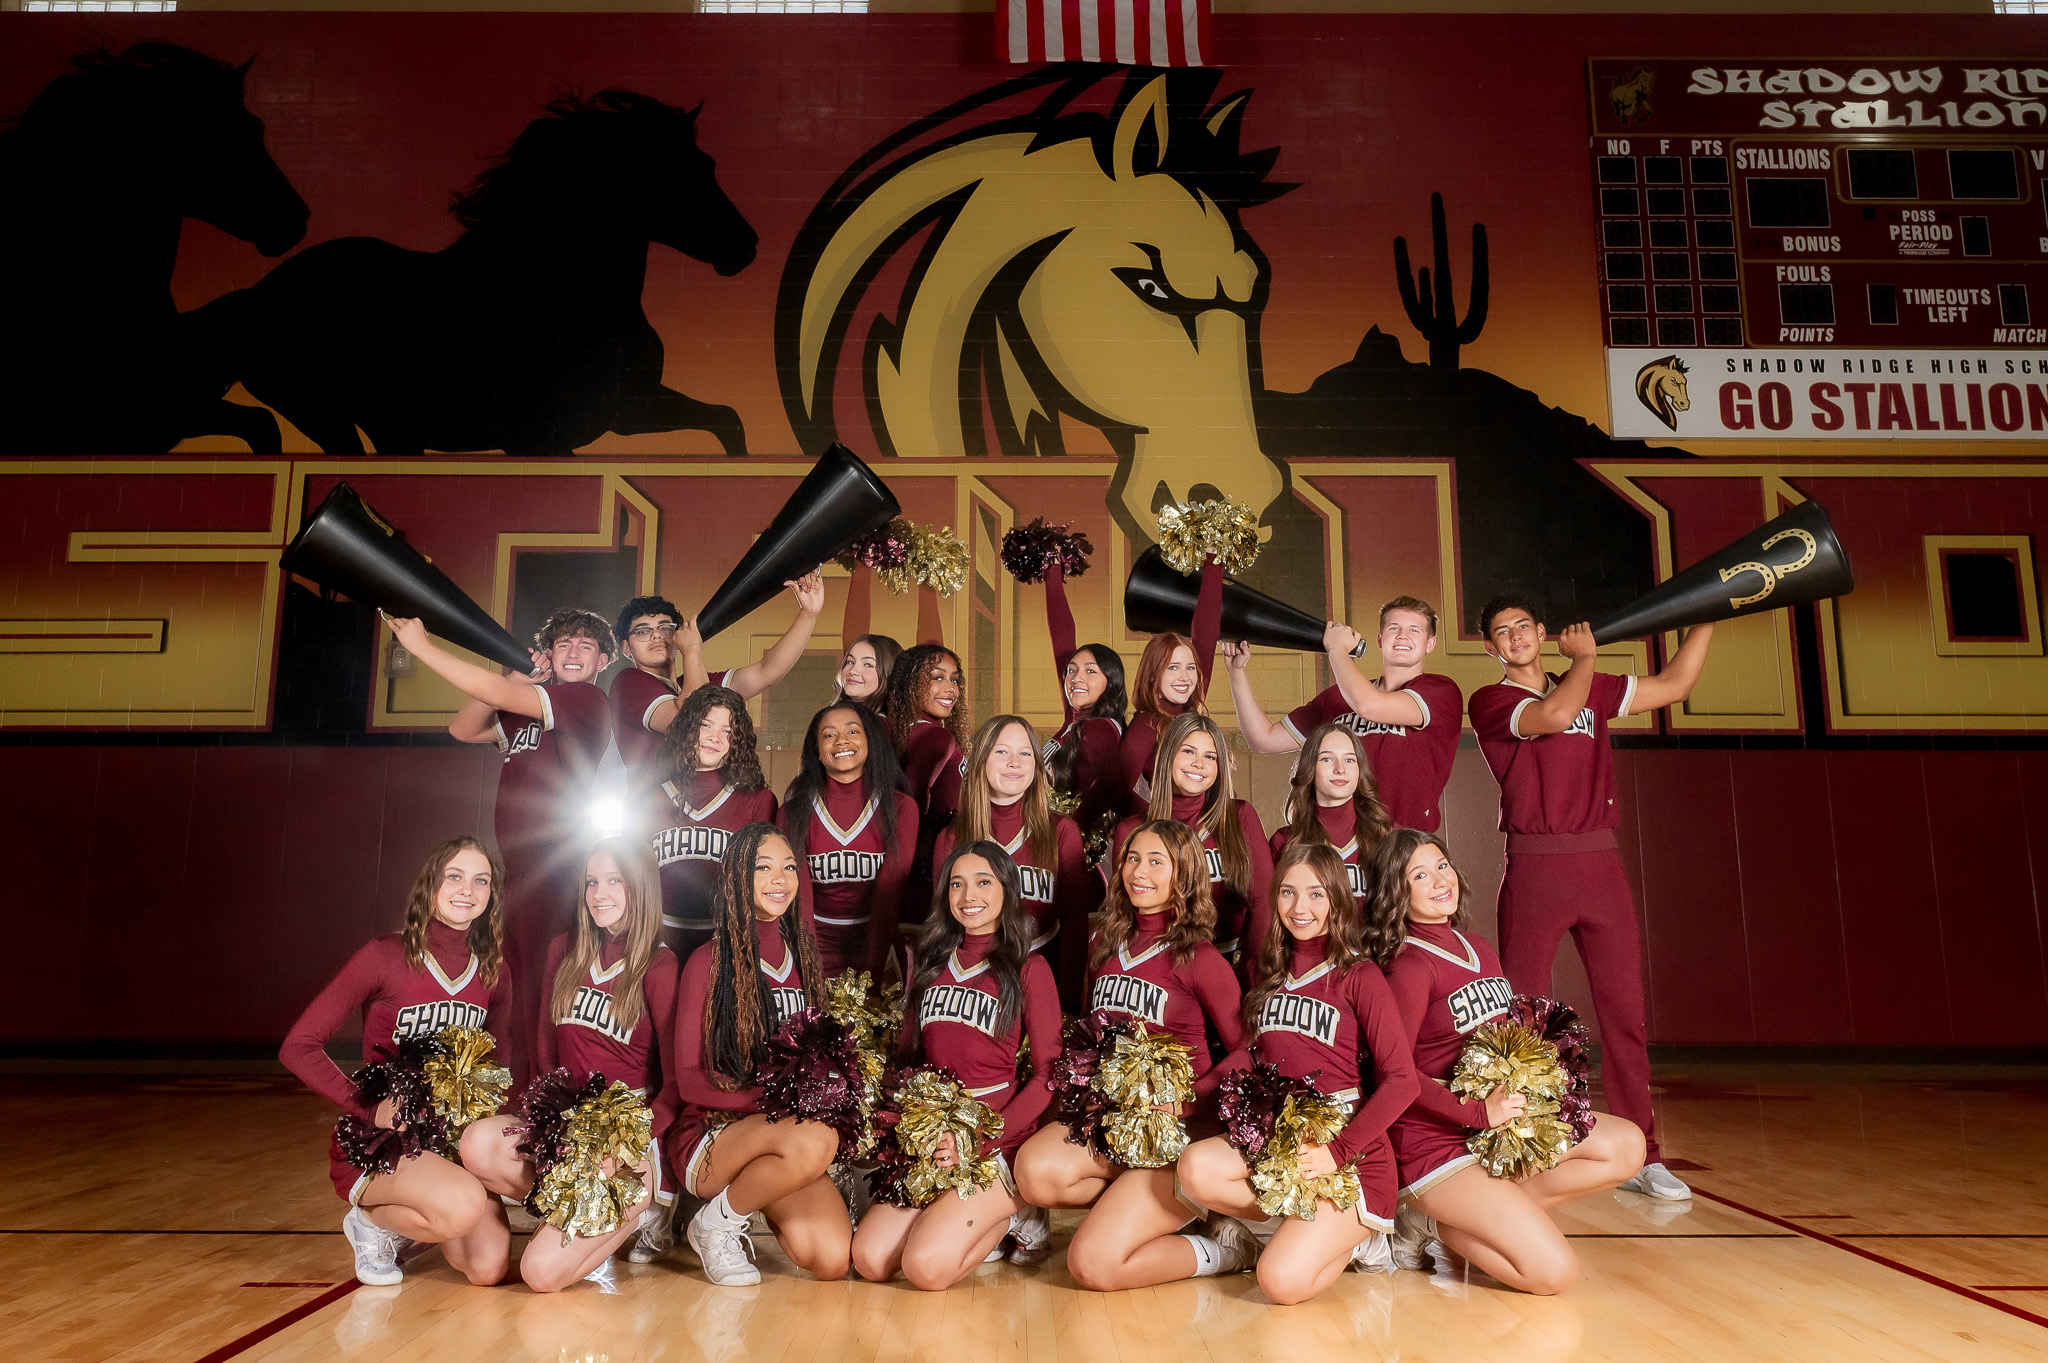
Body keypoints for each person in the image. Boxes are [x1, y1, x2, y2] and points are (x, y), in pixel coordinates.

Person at [1467, 594, 1714, 1203]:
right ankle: (1523, 1141)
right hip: (1535, 865)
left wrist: (1710, 614)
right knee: (1521, 1016)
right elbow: (1553, 714)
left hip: (1599, 862)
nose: (1516, 636)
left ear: (1542, 630)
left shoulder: (1591, 682)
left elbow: (1676, 684)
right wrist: (1584, 661)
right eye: (1503, 631)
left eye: (1524, 624)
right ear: (1491, 647)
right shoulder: (1494, 700)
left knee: (1624, 1015)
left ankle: (1643, 1153)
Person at [1372, 828, 1647, 1293]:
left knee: (1625, 1146)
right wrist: (1477, 1112)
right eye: (1419, 875)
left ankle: (1467, 1221)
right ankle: (1432, 1221)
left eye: (1442, 865)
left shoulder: (1477, 946)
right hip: (1435, 1147)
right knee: (1552, 1273)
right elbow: (1395, 1075)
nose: (1440, 880)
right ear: (1396, 892)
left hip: (1494, 1133)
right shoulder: (1410, 967)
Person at [1174, 842, 1421, 1303]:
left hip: (1345, 1150)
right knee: (1195, 1169)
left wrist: (1338, 1150)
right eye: (1287, 893)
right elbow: (1252, 1054)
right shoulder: (1265, 970)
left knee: (1280, 1283)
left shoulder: (1359, 976)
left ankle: (1361, 1237)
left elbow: (1402, 1080)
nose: (1300, 907)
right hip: (1279, 1139)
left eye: (1316, 894)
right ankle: (1300, 1229)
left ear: (1337, 900)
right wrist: (1186, 1097)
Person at [1015, 820, 1248, 1290]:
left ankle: (1226, 1250)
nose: (1139, 872)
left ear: (1184, 875)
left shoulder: (1202, 960)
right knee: (1035, 1173)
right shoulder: (1105, 945)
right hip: (1116, 1125)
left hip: (1174, 1136)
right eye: (1133, 859)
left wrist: (1184, 1102)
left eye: (1156, 862)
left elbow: (1248, 1051)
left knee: (1093, 1266)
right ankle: (1148, 1211)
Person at [385, 608, 613, 1083]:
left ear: (603, 661)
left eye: (585, 647)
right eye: (563, 644)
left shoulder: (586, 701)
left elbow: (493, 694)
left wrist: (424, 649)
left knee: (542, 987)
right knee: (516, 983)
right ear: (548, 654)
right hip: (519, 868)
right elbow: (464, 728)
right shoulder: (527, 704)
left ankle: (546, 1092)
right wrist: (513, 675)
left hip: (559, 864)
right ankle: (523, 1088)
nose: (573, 653)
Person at [280, 836, 514, 1288]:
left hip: (447, 1142)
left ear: (491, 895)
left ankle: (419, 1216)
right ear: (430, 884)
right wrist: (368, 1106)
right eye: (454, 876)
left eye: (480, 880)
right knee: (462, 1206)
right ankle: (372, 1223)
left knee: (487, 1269)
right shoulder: (385, 955)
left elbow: (497, 1065)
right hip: (384, 1142)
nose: (467, 889)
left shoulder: (493, 970)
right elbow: (298, 1045)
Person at [457, 838, 681, 1287]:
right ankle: (569, 1207)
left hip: (626, 1137)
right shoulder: (565, 950)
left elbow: (675, 1084)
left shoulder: (659, 965)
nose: (600, 894)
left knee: (539, 1274)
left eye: (615, 881)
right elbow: (545, 1053)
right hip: (566, 1125)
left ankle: (644, 1209)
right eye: (592, 882)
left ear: (640, 887)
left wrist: (630, 1141)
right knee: (477, 1144)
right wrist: (545, 1125)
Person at [850, 843, 1062, 1289]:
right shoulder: (928, 964)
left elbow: (1048, 1076)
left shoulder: (1029, 968)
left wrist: (979, 1141)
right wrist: (919, 1134)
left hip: (994, 1143)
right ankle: (954, 1214)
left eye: (984, 881)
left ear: (1007, 889)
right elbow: (907, 1063)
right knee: (869, 1259)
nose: (969, 894)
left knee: (925, 1269)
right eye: (957, 883)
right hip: (934, 1138)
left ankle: (1015, 1214)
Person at [666, 823, 852, 1286]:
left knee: (830, 1259)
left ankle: (744, 1201)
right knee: (813, 1139)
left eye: (789, 868)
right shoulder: (707, 961)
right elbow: (688, 1081)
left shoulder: (803, 960)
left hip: (780, 1138)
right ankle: (714, 1227)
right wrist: (782, 1107)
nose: (779, 879)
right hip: (712, 1137)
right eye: (762, 867)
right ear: (736, 879)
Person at [1226, 595, 1464, 832]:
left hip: (1404, 842)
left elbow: (1368, 706)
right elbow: (1263, 740)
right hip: (1342, 843)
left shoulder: (1440, 691)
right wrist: (1236, 672)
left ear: (1430, 644)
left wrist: (1337, 650)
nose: (1403, 636)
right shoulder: (1338, 697)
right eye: (1394, 628)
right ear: (1380, 640)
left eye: (1414, 630)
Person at [932, 714, 1096, 1011]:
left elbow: (1075, 926)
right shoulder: (953, 838)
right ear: (981, 760)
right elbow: (945, 930)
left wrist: (1067, 1001)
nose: (1015, 762)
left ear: (1036, 765)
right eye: (1002, 751)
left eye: (1025, 753)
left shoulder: (1061, 831)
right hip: (975, 993)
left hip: (1045, 987)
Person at [610, 575, 826, 790]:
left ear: (678, 636)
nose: (657, 636)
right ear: (626, 648)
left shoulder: (692, 682)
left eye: (666, 628)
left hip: (705, 799)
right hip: (659, 809)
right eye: (643, 631)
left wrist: (809, 613)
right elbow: (689, 723)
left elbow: (767, 672)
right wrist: (692, 651)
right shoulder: (628, 682)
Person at [1110, 712, 1272, 965]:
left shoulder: (1238, 817)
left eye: (1210, 756)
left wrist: (1251, 975)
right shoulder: (1134, 830)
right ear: (1167, 756)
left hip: (1231, 963)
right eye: (1188, 751)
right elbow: (1126, 917)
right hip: (1161, 966)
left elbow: (1264, 901)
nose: (1199, 763)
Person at [778, 701, 919, 977]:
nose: (841, 740)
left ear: (870, 742)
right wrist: (810, 969)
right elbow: (800, 900)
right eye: (829, 735)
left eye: (853, 732)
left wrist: (870, 975)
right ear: (817, 751)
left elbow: (888, 901)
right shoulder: (793, 812)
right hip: (813, 949)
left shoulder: (901, 808)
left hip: (879, 946)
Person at [648, 685, 778, 961]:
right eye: (706, 725)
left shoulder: (757, 800)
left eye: (727, 731)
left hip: (725, 945)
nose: (714, 737)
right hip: (656, 941)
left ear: (737, 741)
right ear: (688, 728)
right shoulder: (649, 795)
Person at [1117, 559, 1224, 811]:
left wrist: (1214, 562)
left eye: (1190, 668)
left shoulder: (1191, 710)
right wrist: (1157, 820)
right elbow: (1115, 791)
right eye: (1172, 667)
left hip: (1206, 824)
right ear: (1154, 674)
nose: (1184, 677)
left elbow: (1206, 634)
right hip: (1168, 835)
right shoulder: (1146, 725)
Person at [1037, 561, 1128, 839]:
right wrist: (1051, 571)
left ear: (1110, 682)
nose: (1076, 677)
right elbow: (1061, 641)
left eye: (1090, 671)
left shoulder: (1098, 728)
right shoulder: (1074, 719)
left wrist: (1071, 831)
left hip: (1082, 850)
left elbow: (1115, 790)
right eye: (1072, 670)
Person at [886, 643, 972, 919]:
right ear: (911, 683)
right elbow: (910, 801)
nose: (951, 689)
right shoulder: (938, 737)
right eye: (938, 677)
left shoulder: (904, 732)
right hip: (932, 871)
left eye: (955, 679)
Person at [1267, 723, 1394, 899]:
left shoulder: (1388, 835)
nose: (1340, 769)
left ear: (1360, 770)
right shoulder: (1284, 842)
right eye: (1327, 759)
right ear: (1310, 767)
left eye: (1349, 760)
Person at [835, 633, 902, 714]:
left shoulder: (882, 723)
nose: (852, 671)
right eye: (850, 662)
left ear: (890, 673)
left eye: (868, 665)